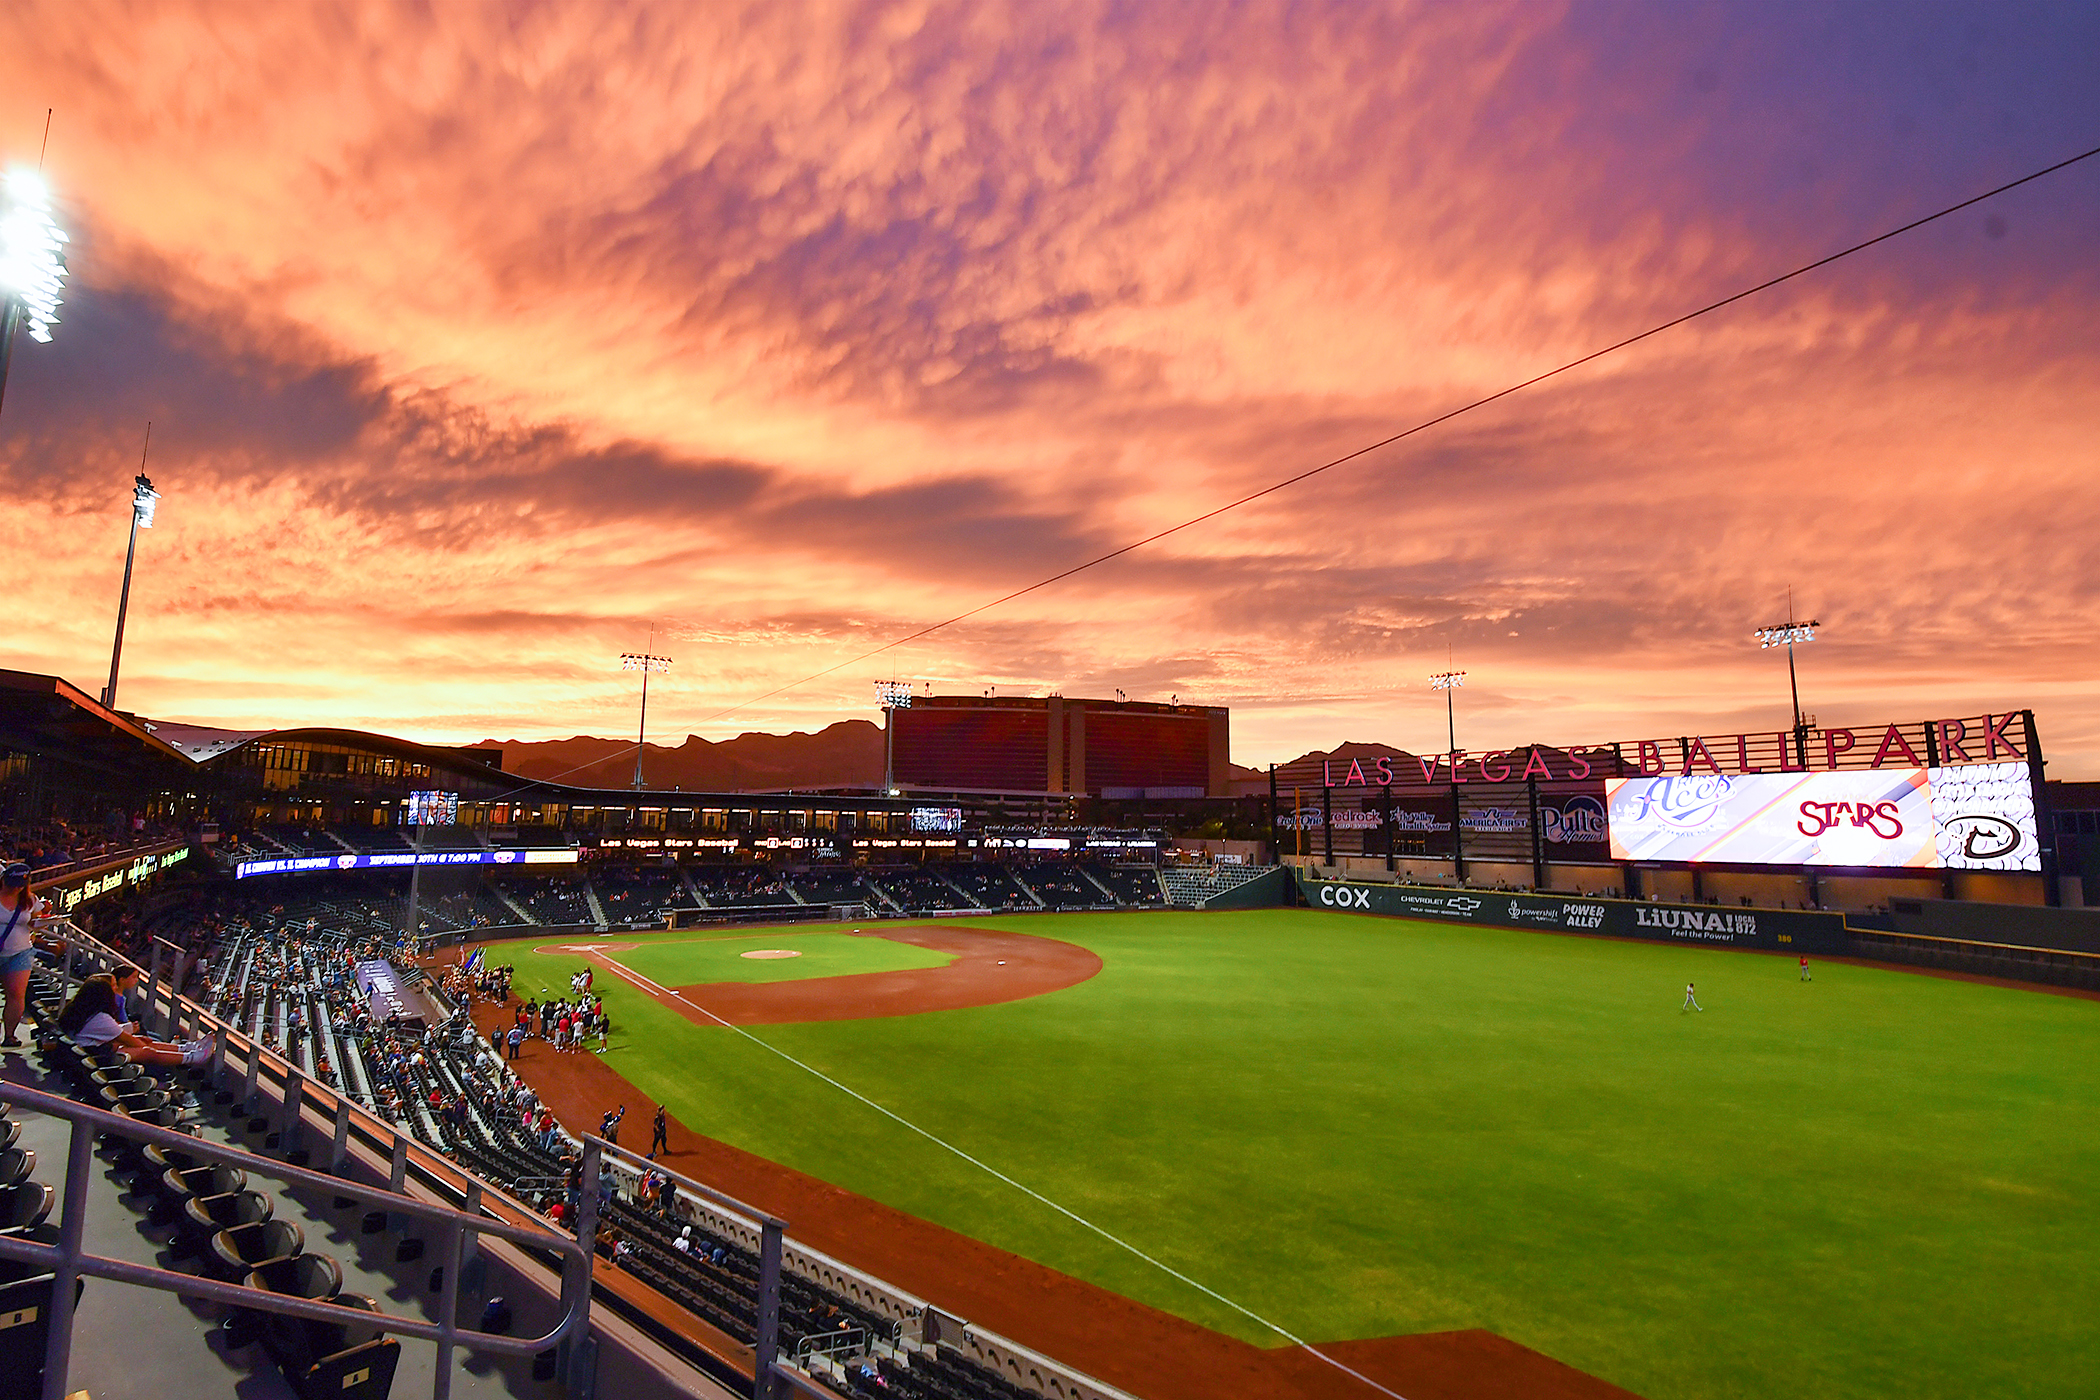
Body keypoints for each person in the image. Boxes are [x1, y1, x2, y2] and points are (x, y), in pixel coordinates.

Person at [57, 974, 213, 1067]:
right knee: (148, 1051)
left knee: (144, 1039)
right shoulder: (100, 1018)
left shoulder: (79, 1008)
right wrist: (143, 1044)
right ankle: (194, 1057)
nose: (115, 989)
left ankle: (189, 1048)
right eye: (112, 986)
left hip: (89, 1051)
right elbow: (132, 1042)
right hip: (95, 1057)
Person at [1, 862, 56, 1047]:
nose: (16, 888)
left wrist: (40, 924)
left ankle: (9, 1035)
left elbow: (35, 920)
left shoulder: (30, 899)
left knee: (16, 994)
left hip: (20, 952)